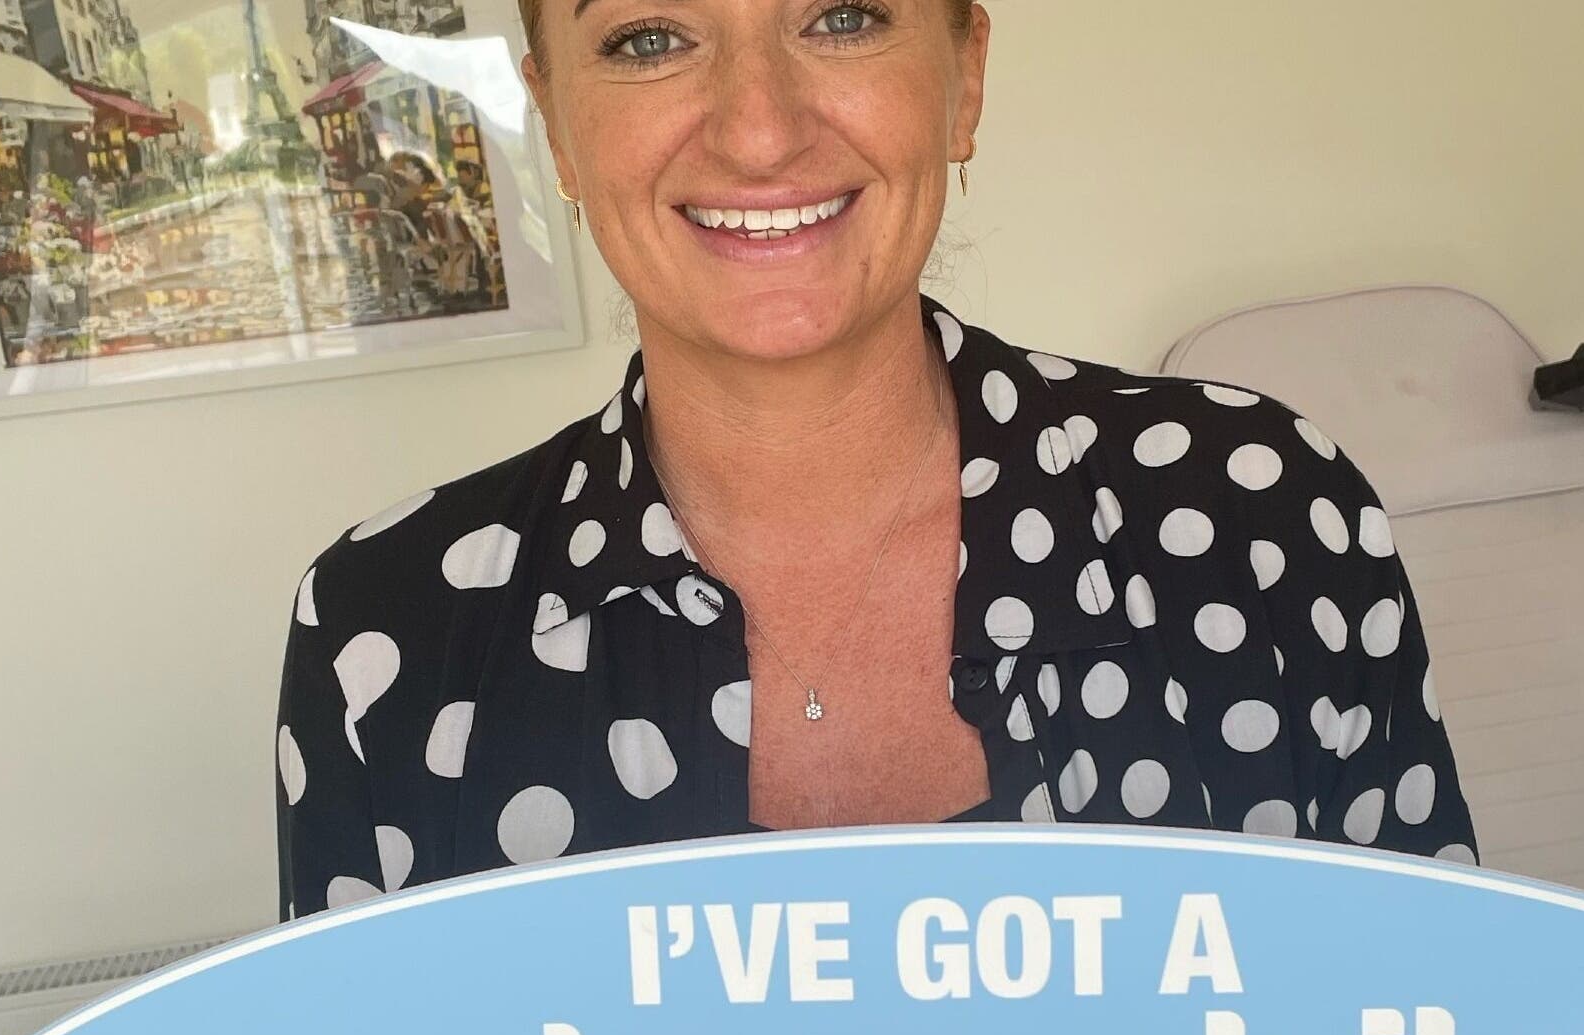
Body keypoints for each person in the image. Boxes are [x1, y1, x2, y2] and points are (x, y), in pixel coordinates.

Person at [275, 0, 1476, 917]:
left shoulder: (1259, 517)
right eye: (649, 38)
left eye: (842, 15)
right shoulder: (391, 631)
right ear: (563, 134)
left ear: (965, 77)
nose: (759, 130)